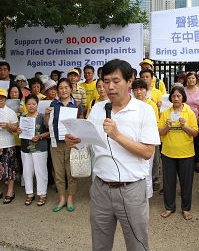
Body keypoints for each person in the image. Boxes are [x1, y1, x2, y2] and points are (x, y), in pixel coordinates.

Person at [65, 59, 159, 251]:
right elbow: (87, 142)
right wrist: (74, 142)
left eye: (116, 81)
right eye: (106, 81)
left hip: (131, 190)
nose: (110, 87)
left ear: (130, 80)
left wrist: (117, 135)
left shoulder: (145, 111)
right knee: (99, 244)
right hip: (100, 188)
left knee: (137, 244)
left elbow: (148, 152)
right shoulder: (98, 108)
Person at [158, 86, 198, 220]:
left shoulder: (189, 112)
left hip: (186, 153)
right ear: (170, 98)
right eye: (174, 96)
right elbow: (159, 133)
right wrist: (166, 127)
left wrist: (184, 126)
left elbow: (195, 133)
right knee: (168, 182)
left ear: (183, 98)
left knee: (186, 182)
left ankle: (186, 209)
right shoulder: (166, 112)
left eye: (178, 96)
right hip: (168, 152)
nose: (176, 98)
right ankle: (169, 207)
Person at [44, 78, 80, 212]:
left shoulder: (76, 104)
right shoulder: (53, 104)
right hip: (56, 143)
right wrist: (47, 115)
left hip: (71, 143)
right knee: (58, 173)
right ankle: (62, 198)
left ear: (71, 89)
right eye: (61, 88)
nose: (63, 90)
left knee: (71, 173)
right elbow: (47, 124)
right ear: (57, 90)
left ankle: (70, 197)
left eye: (66, 87)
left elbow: (80, 122)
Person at [17, 94, 50, 207]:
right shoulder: (23, 117)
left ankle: (42, 194)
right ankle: (29, 193)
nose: (31, 106)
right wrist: (19, 131)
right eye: (29, 104)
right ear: (25, 105)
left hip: (40, 148)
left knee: (40, 171)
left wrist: (40, 136)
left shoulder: (42, 117)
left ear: (37, 104)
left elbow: (49, 132)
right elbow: (18, 129)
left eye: (33, 104)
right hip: (25, 148)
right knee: (27, 171)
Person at [132, 79, 160, 197]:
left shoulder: (151, 105)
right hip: (133, 142)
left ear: (146, 90)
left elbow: (155, 124)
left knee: (147, 171)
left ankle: (147, 197)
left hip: (147, 141)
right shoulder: (131, 104)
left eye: (142, 89)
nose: (139, 92)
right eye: (136, 89)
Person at [183, 72, 199, 173]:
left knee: (196, 142)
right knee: (185, 140)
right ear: (186, 80)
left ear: (196, 80)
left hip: (197, 119)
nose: (191, 80)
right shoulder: (182, 90)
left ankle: (195, 162)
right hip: (184, 119)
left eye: (193, 78)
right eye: (189, 78)